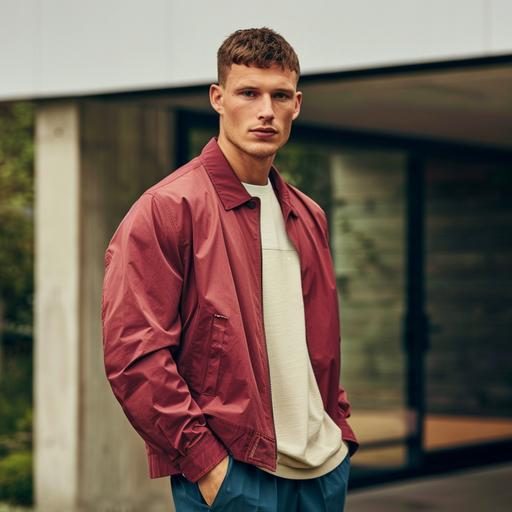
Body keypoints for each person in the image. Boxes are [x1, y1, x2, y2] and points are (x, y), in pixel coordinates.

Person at [101, 27, 359, 511]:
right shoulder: (168, 208)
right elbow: (135, 356)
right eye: (249, 93)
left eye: (280, 95)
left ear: (297, 104)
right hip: (236, 473)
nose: (266, 111)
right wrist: (205, 463)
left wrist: (338, 430)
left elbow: (316, 343)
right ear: (218, 98)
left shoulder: (308, 214)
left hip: (322, 470)